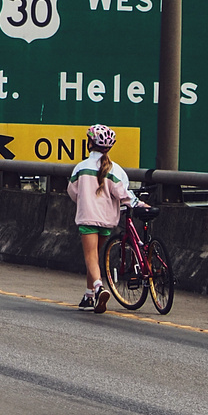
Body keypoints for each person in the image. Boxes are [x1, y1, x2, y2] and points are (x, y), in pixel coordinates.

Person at [70, 124, 140, 313]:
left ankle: (99, 287)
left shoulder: (81, 168)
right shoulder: (116, 170)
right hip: (107, 220)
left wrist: (85, 199)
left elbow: (72, 191)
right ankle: (88, 296)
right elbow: (124, 194)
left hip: (88, 218)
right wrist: (139, 204)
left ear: (90, 143)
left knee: (90, 256)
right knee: (94, 257)